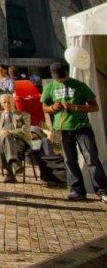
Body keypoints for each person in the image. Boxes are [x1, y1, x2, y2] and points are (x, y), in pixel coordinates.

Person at [42, 62, 107, 202]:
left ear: (67, 72)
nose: (61, 80)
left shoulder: (79, 85)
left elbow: (94, 107)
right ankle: (77, 190)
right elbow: (44, 107)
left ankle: (102, 190)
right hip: (62, 129)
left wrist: (75, 107)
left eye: (62, 77)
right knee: (69, 160)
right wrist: (52, 108)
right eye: (57, 78)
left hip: (82, 127)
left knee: (91, 159)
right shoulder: (49, 87)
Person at [0, 94, 31, 184]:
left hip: (19, 142)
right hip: (1, 141)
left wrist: (9, 132)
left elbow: (25, 130)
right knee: (5, 139)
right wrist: (1, 132)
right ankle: (15, 163)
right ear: (1, 104)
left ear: (14, 102)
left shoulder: (24, 115)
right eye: (4, 102)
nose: (7, 105)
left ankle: (9, 174)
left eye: (9, 102)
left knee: (6, 138)